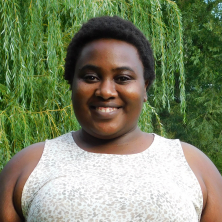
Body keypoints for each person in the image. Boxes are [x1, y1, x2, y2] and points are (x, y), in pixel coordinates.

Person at [0, 16, 222, 222]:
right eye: (91, 77)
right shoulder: (27, 166)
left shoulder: (194, 166)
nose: (105, 91)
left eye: (123, 78)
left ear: (144, 88)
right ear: (72, 85)